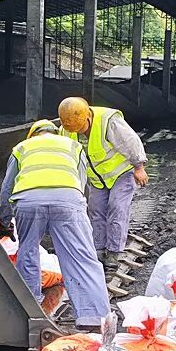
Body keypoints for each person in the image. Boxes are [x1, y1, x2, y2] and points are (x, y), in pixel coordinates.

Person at [0, 119, 111, 331]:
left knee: (28, 252)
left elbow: (7, 188)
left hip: (28, 202)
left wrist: (4, 221)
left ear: (32, 135)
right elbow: (81, 183)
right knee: (82, 257)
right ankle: (94, 318)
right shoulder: (73, 147)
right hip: (68, 201)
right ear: (57, 133)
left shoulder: (22, 148)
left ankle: (31, 310)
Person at [57, 97, 148, 271]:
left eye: (81, 127)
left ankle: (113, 252)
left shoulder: (107, 120)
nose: (79, 131)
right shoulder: (66, 128)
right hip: (98, 179)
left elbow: (131, 141)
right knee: (95, 210)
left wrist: (139, 166)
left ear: (88, 117)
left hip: (122, 173)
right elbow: (67, 154)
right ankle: (98, 249)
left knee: (117, 207)